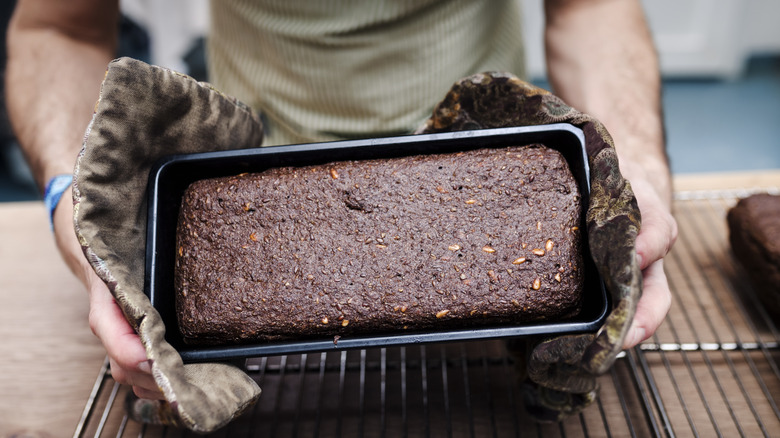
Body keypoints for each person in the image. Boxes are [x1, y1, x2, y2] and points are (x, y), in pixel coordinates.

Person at [5, 0, 677, 401]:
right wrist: (79, 207)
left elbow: (590, 7)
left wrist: (635, 175)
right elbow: (58, 26)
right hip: (249, 176)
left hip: (499, 164)